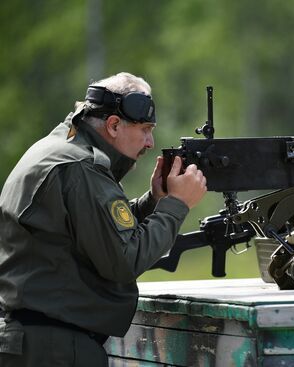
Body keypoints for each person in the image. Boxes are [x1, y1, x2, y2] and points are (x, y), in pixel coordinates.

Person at [0, 72, 207, 366]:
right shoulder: (81, 167)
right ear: (113, 125)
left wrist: (153, 202)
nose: (150, 142)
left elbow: (95, 232)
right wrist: (176, 204)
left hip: (36, 342)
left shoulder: (60, 149)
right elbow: (124, 259)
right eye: (145, 129)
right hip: (54, 349)